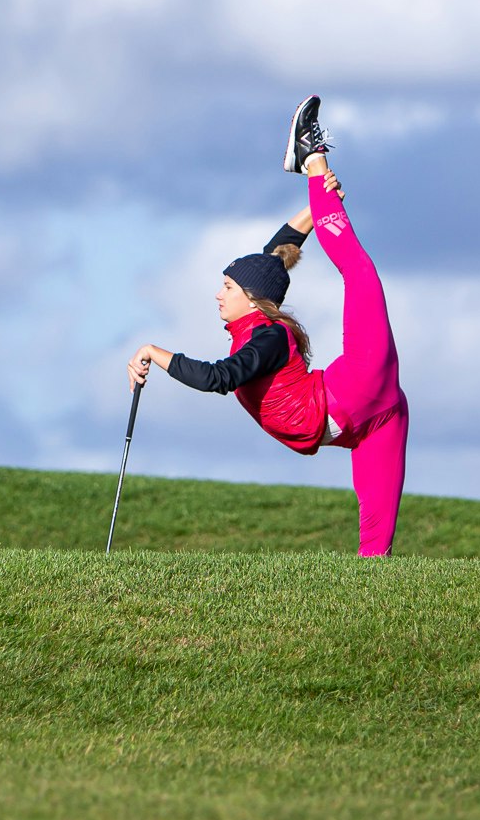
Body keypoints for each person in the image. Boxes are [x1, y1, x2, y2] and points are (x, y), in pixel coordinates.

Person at [127, 96, 410, 557]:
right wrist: (314, 210)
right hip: (367, 420)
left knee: (360, 273)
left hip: (356, 389)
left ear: (250, 299)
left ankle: (313, 157)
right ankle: (311, 172)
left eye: (226, 286)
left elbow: (219, 378)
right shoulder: (258, 326)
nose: (218, 294)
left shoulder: (267, 337)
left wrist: (153, 352)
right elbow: (274, 259)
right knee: (375, 553)